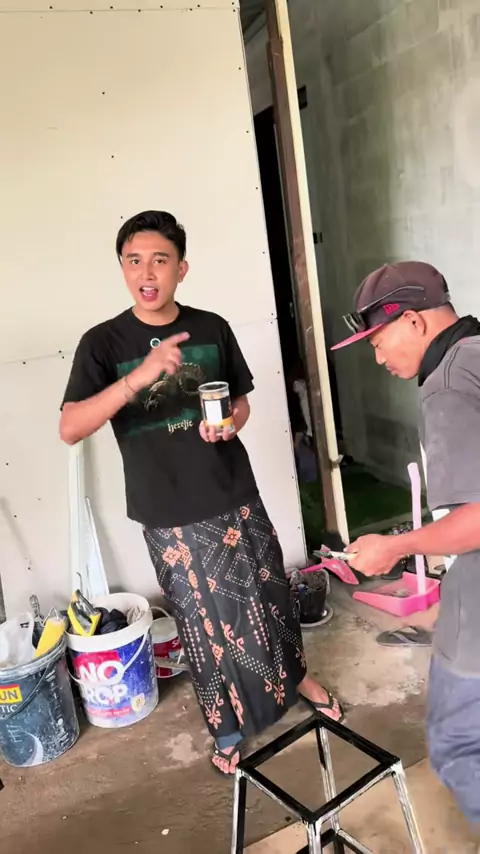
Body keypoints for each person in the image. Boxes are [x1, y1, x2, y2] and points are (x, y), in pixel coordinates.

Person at [60, 210, 343, 775]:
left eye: (159, 260)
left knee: (270, 596)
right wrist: (139, 376)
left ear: (181, 269)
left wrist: (232, 423)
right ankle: (227, 726)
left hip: (234, 490)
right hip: (168, 509)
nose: (147, 272)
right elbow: (71, 426)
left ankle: (296, 677)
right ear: (122, 268)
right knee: (204, 622)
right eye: (134, 261)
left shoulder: (211, 327)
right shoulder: (102, 343)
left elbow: (240, 402)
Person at [332, 260, 480, 825]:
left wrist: (396, 547)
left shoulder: (447, 386)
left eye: (377, 342)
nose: (377, 358)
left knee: (459, 740)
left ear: (414, 322)